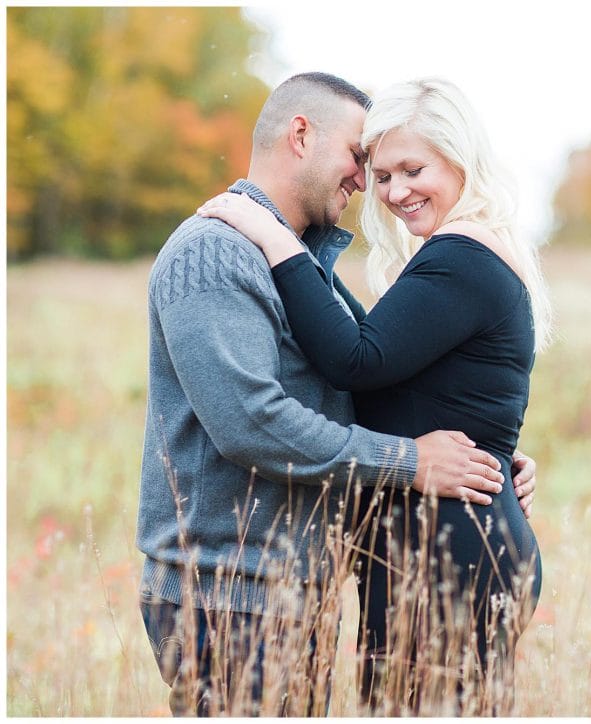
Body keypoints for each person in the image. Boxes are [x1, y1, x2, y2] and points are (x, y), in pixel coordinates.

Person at [137, 72, 538, 717]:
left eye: (398, 167)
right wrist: (412, 461)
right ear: (301, 135)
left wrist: (490, 449)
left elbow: (370, 377)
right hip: (230, 594)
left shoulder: (302, 264)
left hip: (298, 592)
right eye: (365, 160)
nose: (372, 183)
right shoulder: (215, 252)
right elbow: (252, 424)